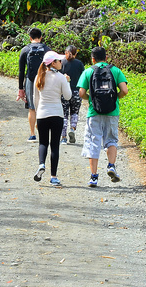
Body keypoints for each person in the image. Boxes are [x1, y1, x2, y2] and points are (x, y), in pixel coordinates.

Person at [77, 46, 128, 187]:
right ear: (106, 58)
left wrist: (92, 99)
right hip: (112, 112)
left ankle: (94, 177)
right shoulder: (115, 70)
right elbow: (124, 90)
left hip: (94, 113)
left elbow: (81, 93)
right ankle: (111, 165)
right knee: (111, 140)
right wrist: (115, 98)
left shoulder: (88, 71)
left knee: (93, 142)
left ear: (92, 59)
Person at [32, 51, 72, 187]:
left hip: (42, 114)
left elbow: (35, 99)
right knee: (55, 145)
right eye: (59, 60)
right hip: (57, 114)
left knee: (43, 143)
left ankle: (41, 164)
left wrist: (37, 116)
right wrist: (67, 82)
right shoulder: (61, 77)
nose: (61, 62)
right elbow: (68, 96)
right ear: (53, 63)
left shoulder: (39, 76)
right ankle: (53, 177)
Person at [17, 28, 47, 142]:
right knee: (43, 106)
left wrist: (21, 88)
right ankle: (43, 133)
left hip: (30, 80)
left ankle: (32, 134)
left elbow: (21, 71)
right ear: (41, 37)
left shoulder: (25, 50)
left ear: (30, 38)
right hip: (43, 80)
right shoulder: (46, 50)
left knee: (32, 108)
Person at [60, 45, 84, 144]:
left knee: (64, 114)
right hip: (76, 92)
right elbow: (83, 78)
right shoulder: (79, 64)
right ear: (76, 53)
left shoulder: (61, 63)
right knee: (75, 112)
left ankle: (64, 137)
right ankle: (72, 129)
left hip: (64, 92)